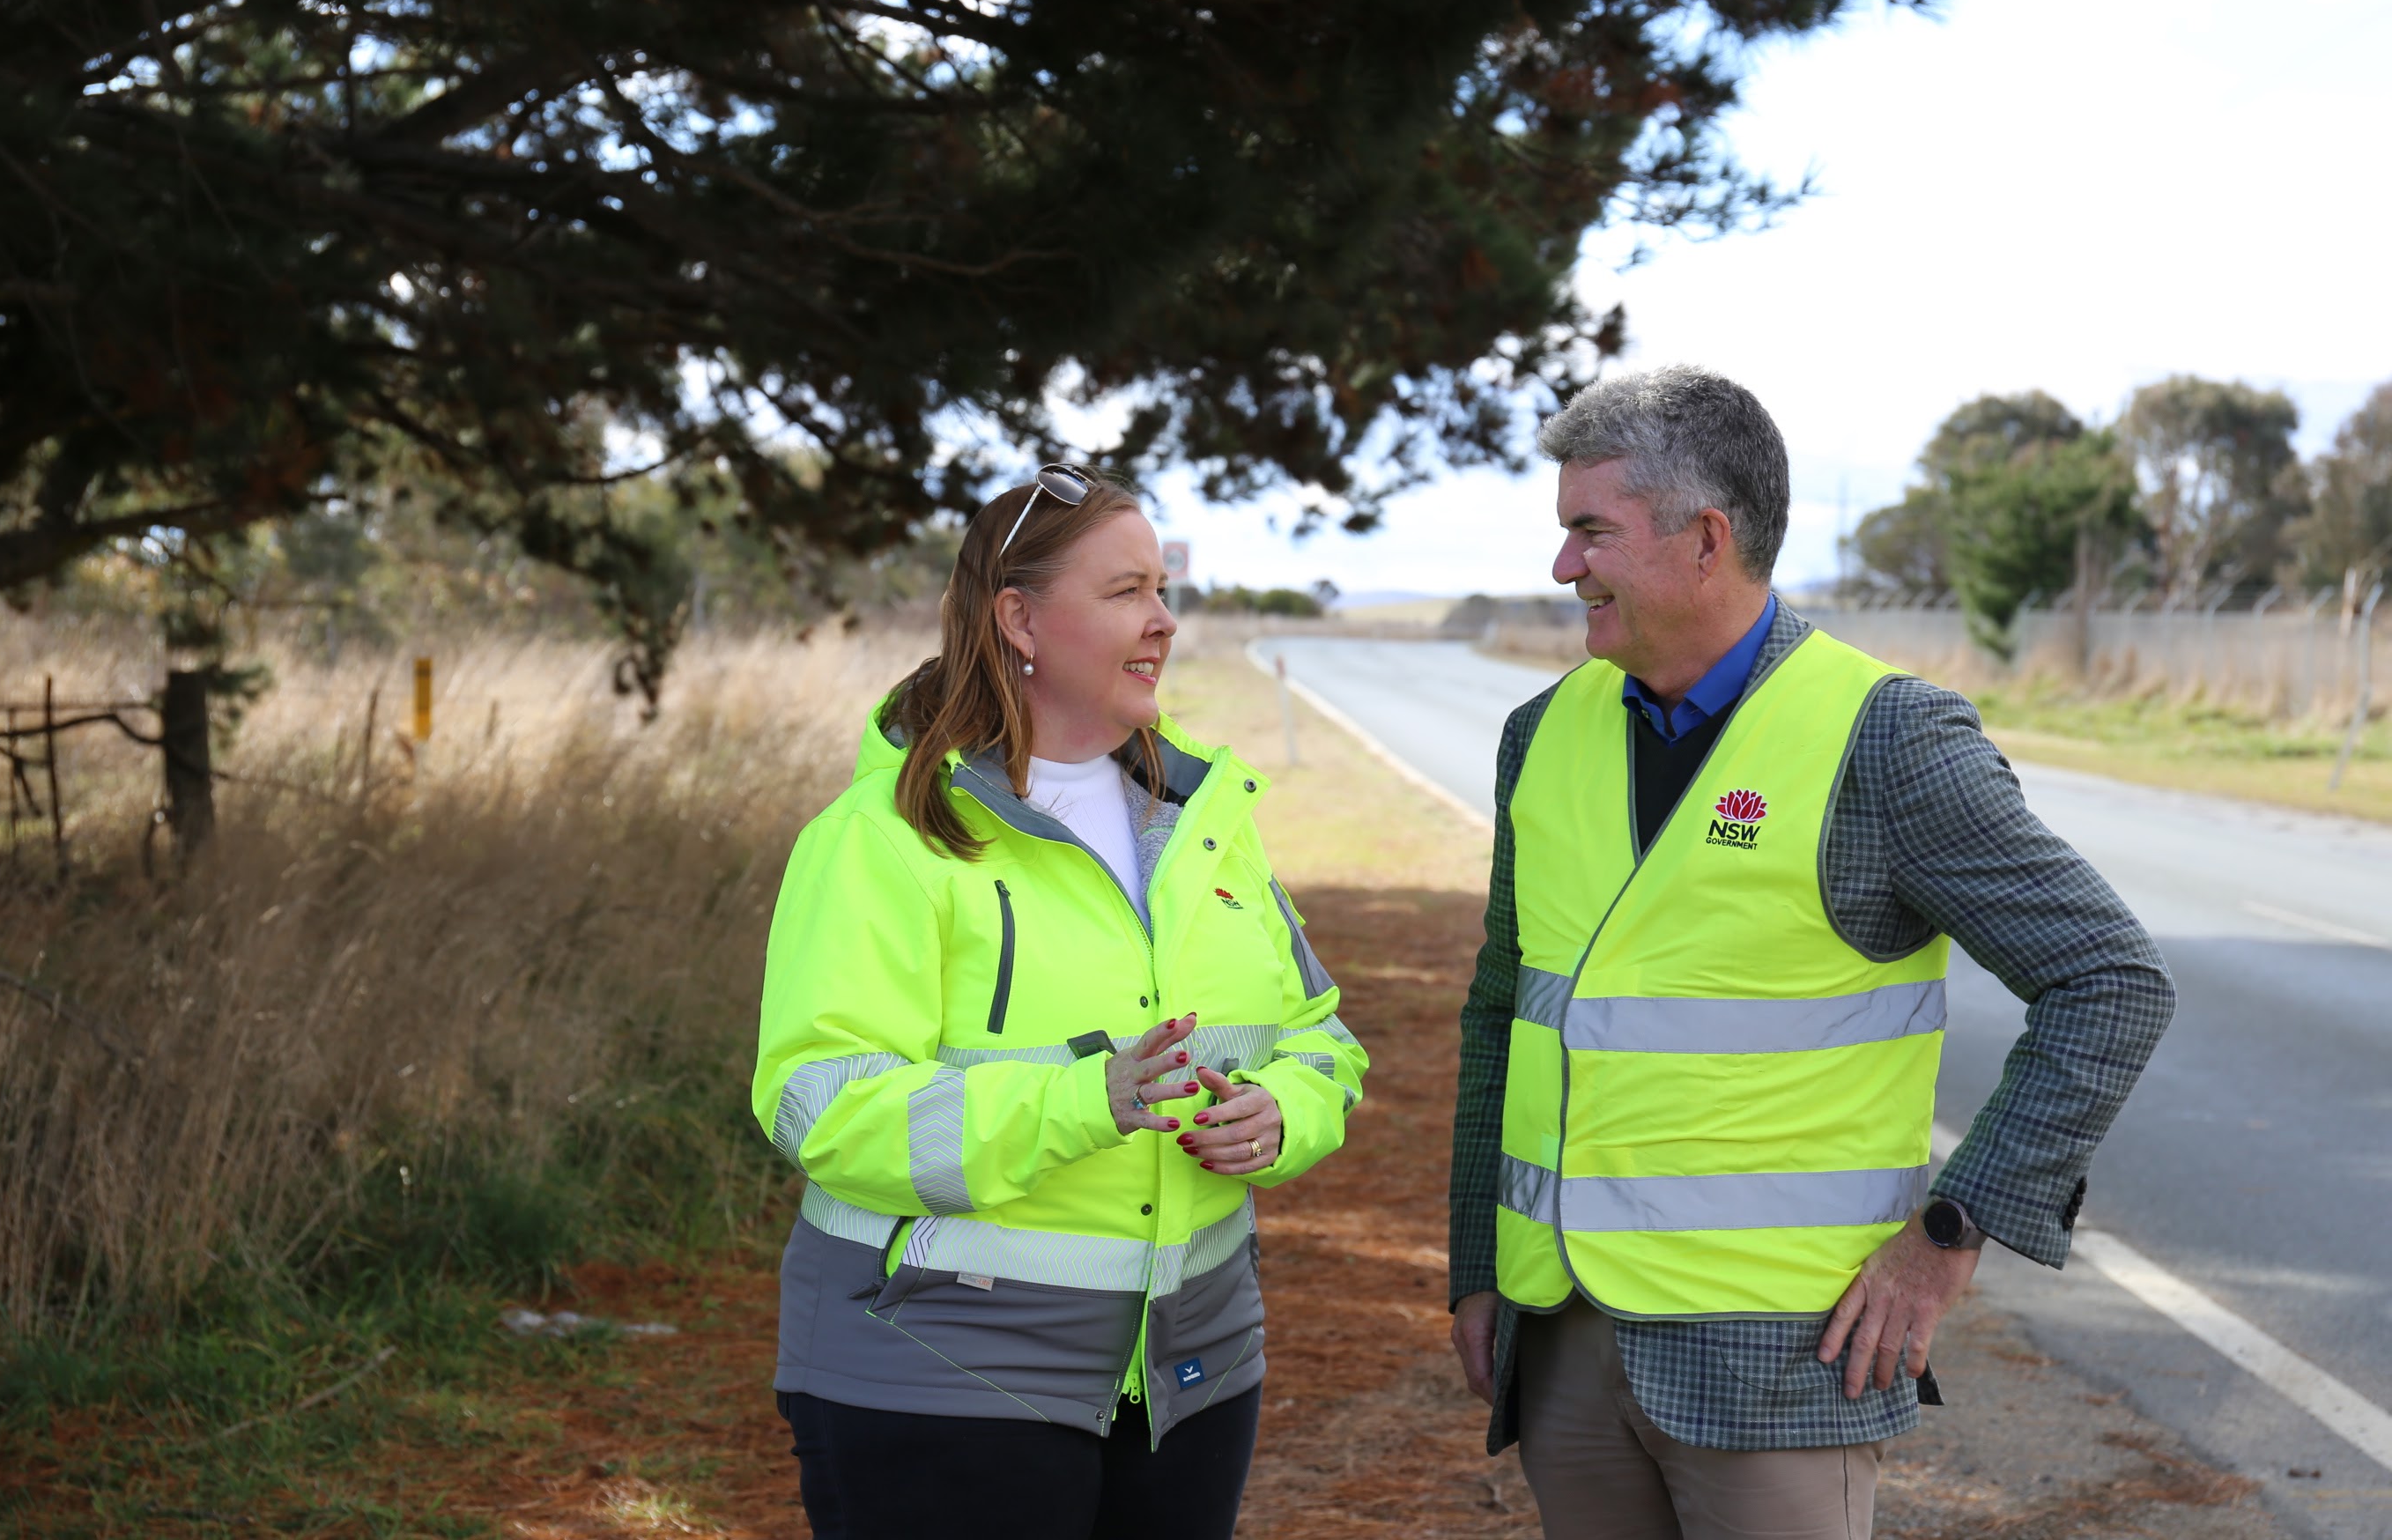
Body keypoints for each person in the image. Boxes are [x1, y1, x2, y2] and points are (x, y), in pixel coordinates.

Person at [1448, 368, 2174, 1540]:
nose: (1564, 567)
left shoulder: (1886, 738)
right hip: (1562, 1340)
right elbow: (1502, 1015)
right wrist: (1477, 1263)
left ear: (1706, 541)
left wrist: (1950, 1238)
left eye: (1591, 531)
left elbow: (2109, 983)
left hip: (1783, 1361)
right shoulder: (1539, 735)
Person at [754, 464, 1366, 1540]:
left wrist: (1281, 1116)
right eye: (1127, 591)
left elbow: (1319, 1040)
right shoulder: (881, 841)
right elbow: (822, 1105)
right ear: (1019, 617)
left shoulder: (1205, 824)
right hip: (939, 1370)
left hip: (1193, 1370)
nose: (1164, 621)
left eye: (1165, 589)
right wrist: (1091, 1101)